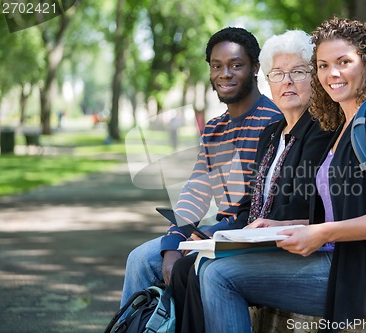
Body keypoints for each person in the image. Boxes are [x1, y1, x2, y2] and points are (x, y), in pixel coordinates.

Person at [200, 17, 366, 333]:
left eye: (343, 62)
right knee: (210, 266)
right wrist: (287, 225)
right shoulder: (344, 124)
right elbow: (348, 209)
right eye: (322, 65)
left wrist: (324, 233)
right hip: (338, 260)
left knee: (218, 275)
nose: (332, 73)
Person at [174, 29, 338, 333]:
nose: (286, 81)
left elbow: (303, 203)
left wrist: (251, 229)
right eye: (278, 73)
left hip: (298, 248)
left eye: (298, 72)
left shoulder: (322, 130)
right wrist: (212, 233)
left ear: (314, 78)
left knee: (209, 272)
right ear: (269, 81)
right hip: (262, 238)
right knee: (188, 263)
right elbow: (251, 201)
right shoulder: (272, 134)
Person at [119, 27, 283, 330]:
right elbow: (196, 190)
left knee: (177, 265)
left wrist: (201, 239)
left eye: (236, 65)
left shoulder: (273, 122)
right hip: (214, 234)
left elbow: (257, 204)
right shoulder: (214, 128)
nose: (225, 74)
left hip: (245, 235)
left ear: (255, 68)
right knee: (141, 259)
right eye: (217, 66)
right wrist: (174, 240)